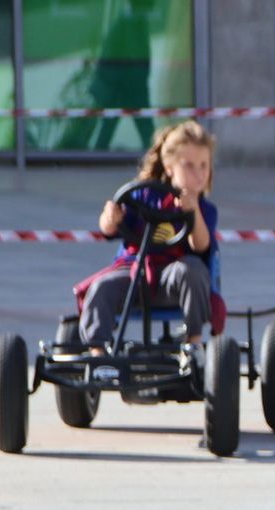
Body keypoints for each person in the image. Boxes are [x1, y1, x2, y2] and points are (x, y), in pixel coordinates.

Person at [72, 120, 221, 352]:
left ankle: (193, 343)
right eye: (189, 166)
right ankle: (98, 353)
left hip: (173, 278)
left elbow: (201, 246)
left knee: (192, 270)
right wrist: (111, 217)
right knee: (101, 286)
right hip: (135, 271)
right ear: (169, 167)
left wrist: (192, 211)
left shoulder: (205, 209)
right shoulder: (143, 194)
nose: (199, 174)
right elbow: (108, 229)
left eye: (204, 166)